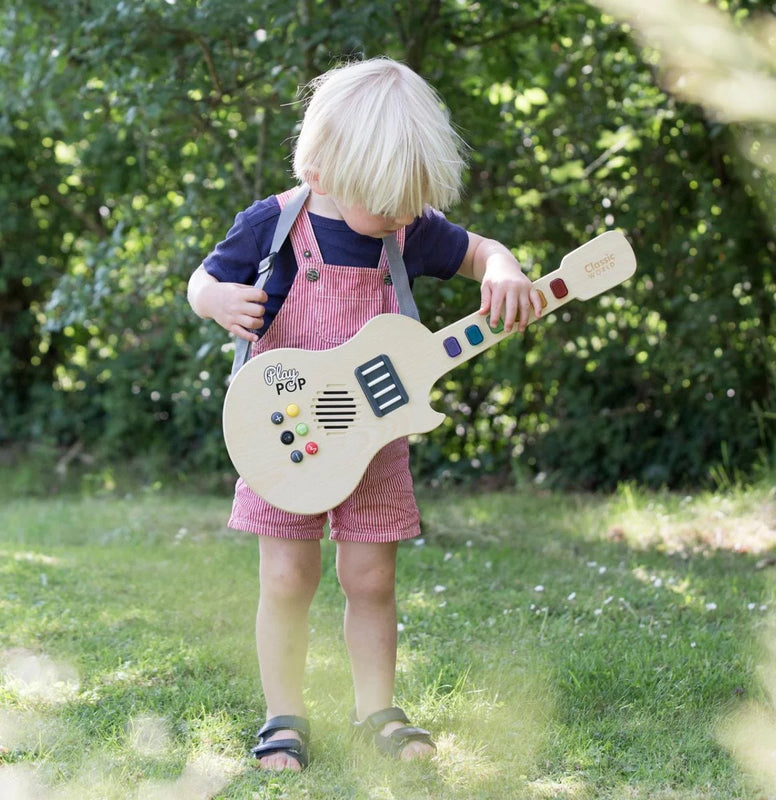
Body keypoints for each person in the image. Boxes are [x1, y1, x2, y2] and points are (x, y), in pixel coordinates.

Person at [187, 57, 542, 773]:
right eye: (392, 206)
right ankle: (284, 716)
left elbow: (480, 251)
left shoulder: (404, 224)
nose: (404, 218)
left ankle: (377, 711)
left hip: (375, 449)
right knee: (288, 578)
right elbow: (204, 278)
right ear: (322, 169)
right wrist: (216, 301)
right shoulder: (274, 223)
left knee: (372, 580)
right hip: (282, 439)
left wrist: (502, 268)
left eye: (413, 206)